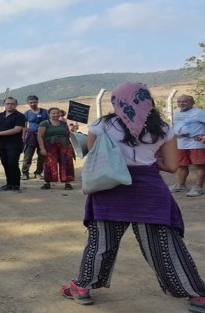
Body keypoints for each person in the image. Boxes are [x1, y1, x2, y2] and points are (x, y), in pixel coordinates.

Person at [60, 82, 205, 312]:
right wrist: (150, 160)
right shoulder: (164, 128)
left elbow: (93, 156)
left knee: (101, 243)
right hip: (149, 191)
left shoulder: (102, 125)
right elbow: (172, 166)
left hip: (109, 189)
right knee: (165, 246)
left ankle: (82, 288)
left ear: (117, 102)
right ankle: (197, 295)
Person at [170, 95, 205, 197]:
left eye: (184, 101)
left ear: (192, 102)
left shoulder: (199, 113)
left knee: (199, 165)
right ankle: (180, 185)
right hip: (181, 143)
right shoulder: (177, 114)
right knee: (181, 165)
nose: (181, 103)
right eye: (179, 101)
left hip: (196, 144)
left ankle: (198, 187)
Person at [0, 97, 27, 193]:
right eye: (8, 103)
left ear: (16, 105)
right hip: (2, 144)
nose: (10, 105)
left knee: (13, 164)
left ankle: (16, 185)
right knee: (5, 164)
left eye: (12, 103)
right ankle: (9, 183)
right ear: (4, 104)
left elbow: (17, 129)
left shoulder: (20, 116)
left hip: (14, 144)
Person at [37, 107, 75, 190]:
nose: (56, 114)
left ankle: (67, 183)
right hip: (50, 146)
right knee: (49, 163)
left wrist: (73, 128)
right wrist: (42, 148)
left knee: (66, 163)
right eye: (53, 113)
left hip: (64, 145)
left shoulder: (63, 123)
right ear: (49, 114)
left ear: (60, 114)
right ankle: (47, 182)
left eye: (57, 113)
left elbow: (67, 135)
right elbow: (40, 136)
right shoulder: (45, 123)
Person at [21, 95, 48, 180]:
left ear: (37, 102)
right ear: (28, 103)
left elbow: (49, 123)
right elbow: (24, 126)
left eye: (34, 102)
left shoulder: (45, 112)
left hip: (43, 136)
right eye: (31, 102)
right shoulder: (27, 113)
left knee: (41, 155)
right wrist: (23, 136)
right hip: (31, 135)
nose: (33, 104)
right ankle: (25, 173)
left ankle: (38, 173)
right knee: (28, 155)